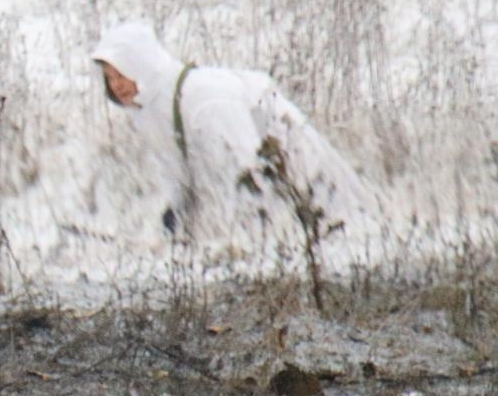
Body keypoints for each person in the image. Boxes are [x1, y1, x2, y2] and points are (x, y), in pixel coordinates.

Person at [90, 20, 364, 243]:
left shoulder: (205, 99)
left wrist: (249, 238)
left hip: (311, 190)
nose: (116, 85)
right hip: (280, 213)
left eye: (122, 73)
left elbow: (249, 172)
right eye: (110, 77)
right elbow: (181, 174)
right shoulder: (151, 111)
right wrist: (178, 217)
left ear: (142, 65)